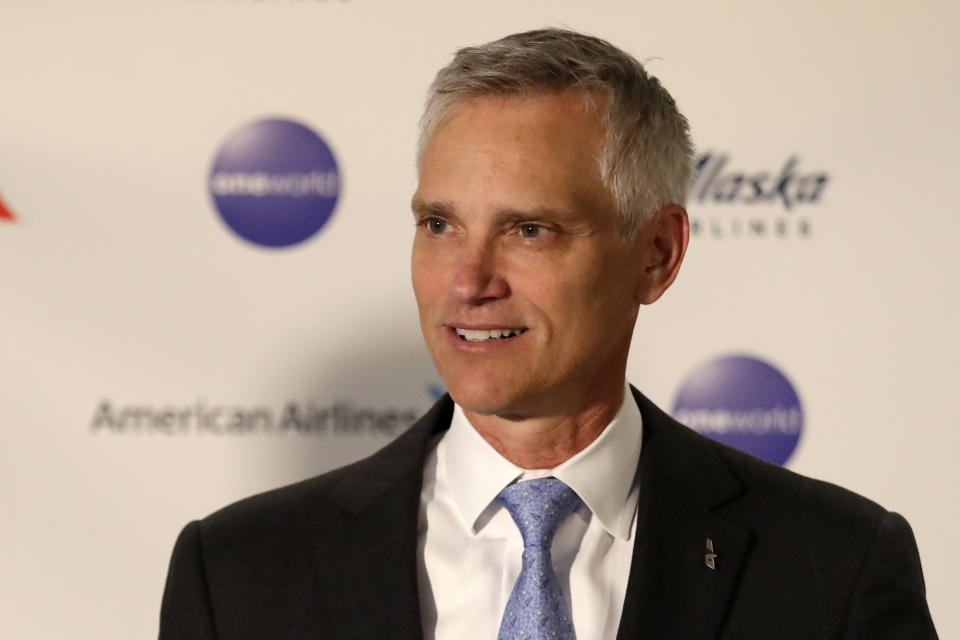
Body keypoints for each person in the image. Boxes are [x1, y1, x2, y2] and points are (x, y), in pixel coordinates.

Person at [159, 29, 938, 639]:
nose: (468, 282)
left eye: (529, 229)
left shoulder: (835, 566)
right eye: (439, 224)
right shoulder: (238, 574)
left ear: (657, 253)